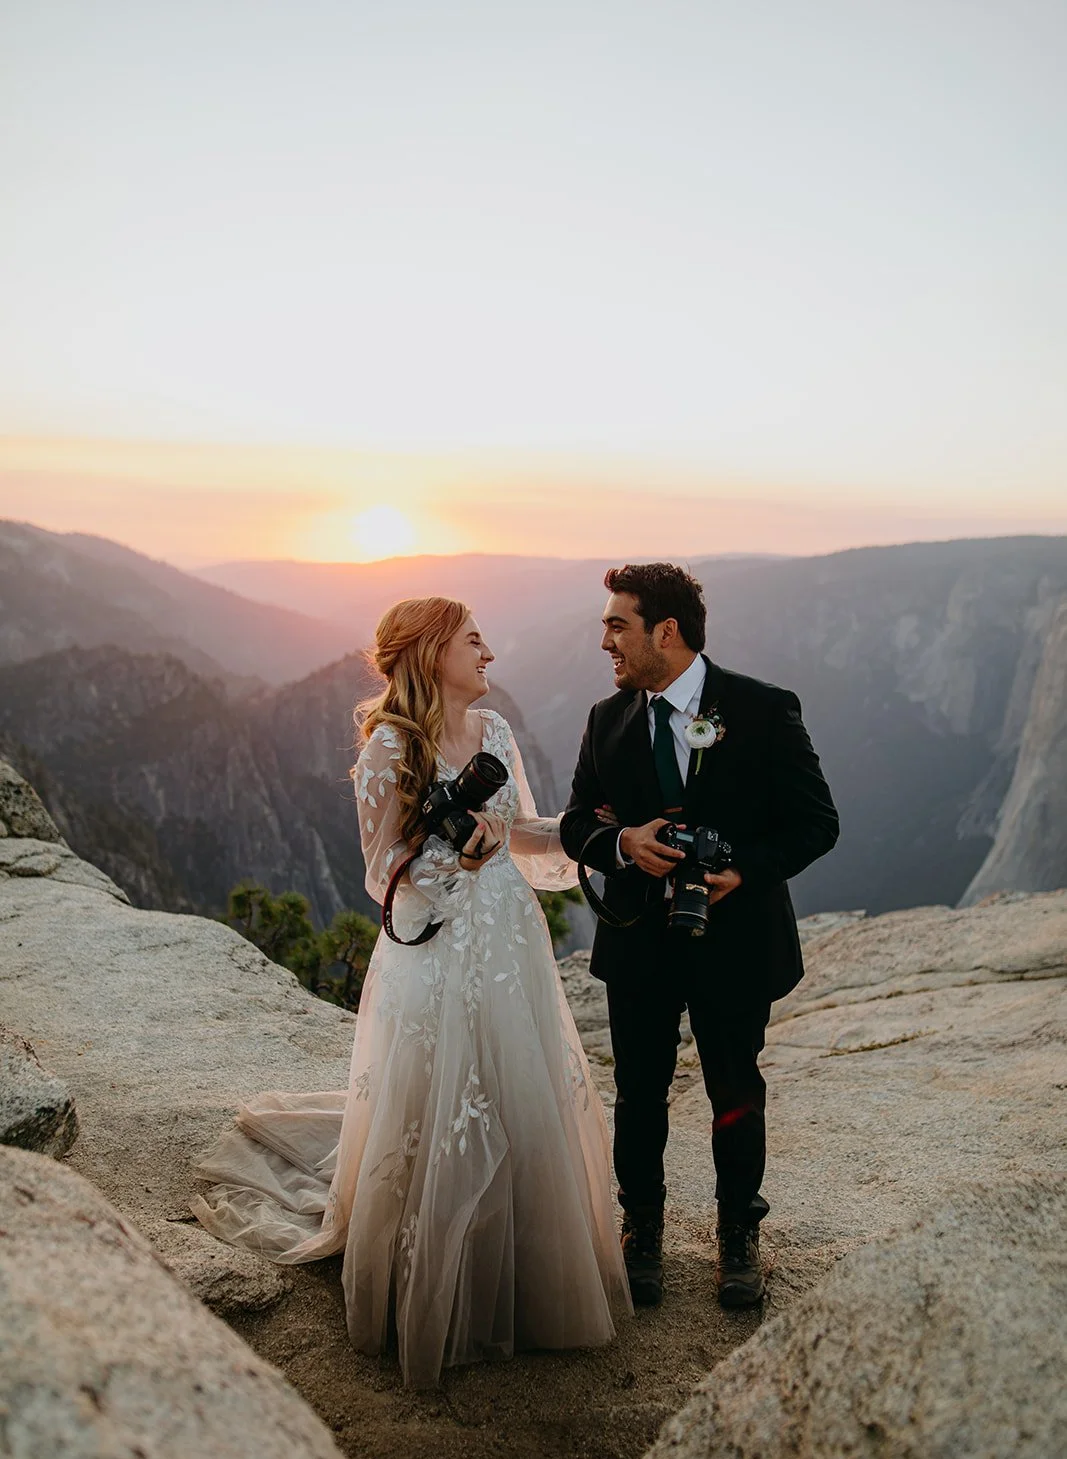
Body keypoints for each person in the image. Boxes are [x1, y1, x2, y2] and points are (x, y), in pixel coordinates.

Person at [193, 596, 630, 1388]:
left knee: (518, 1087)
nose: (488, 653)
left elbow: (523, 832)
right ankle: (439, 1274)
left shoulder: (494, 732)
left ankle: (524, 1261)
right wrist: (456, 863)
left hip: (509, 942)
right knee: (444, 1097)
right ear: (432, 654)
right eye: (473, 641)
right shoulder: (388, 747)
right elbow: (381, 872)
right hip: (438, 948)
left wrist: (598, 835)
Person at [560, 563, 839, 1309]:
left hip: (735, 940)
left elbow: (817, 824)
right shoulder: (606, 718)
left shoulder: (762, 708)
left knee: (734, 1088)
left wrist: (741, 870)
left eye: (616, 625)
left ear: (666, 631)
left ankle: (738, 1234)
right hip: (639, 942)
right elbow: (578, 821)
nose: (604, 642)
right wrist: (624, 844)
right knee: (637, 1092)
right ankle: (641, 1230)